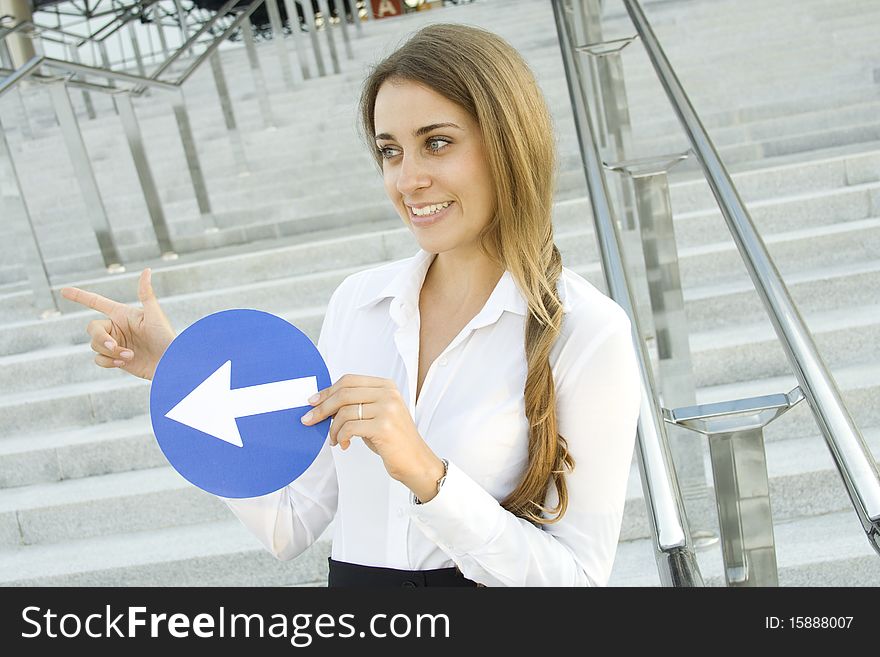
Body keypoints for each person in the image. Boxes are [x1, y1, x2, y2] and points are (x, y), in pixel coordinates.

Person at [61, 23, 641, 587]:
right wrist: (181, 377)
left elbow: (578, 581)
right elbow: (290, 521)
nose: (408, 180)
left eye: (436, 143)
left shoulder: (587, 331)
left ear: (508, 143)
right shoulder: (358, 304)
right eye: (390, 151)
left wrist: (428, 475)